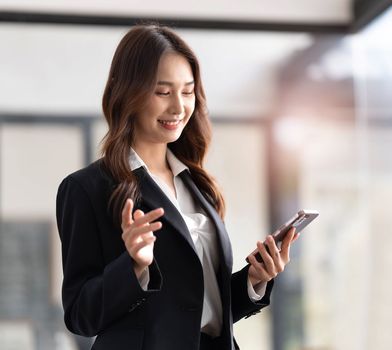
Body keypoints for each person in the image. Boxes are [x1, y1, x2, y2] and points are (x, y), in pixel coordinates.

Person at [56, 24, 299, 350]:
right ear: (127, 91)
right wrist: (133, 266)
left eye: (187, 92)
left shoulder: (199, 185)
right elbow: (80, 316)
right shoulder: (86, 189)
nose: (179, 107)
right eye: (163, 92)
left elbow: (200, 310)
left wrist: (255, 280)